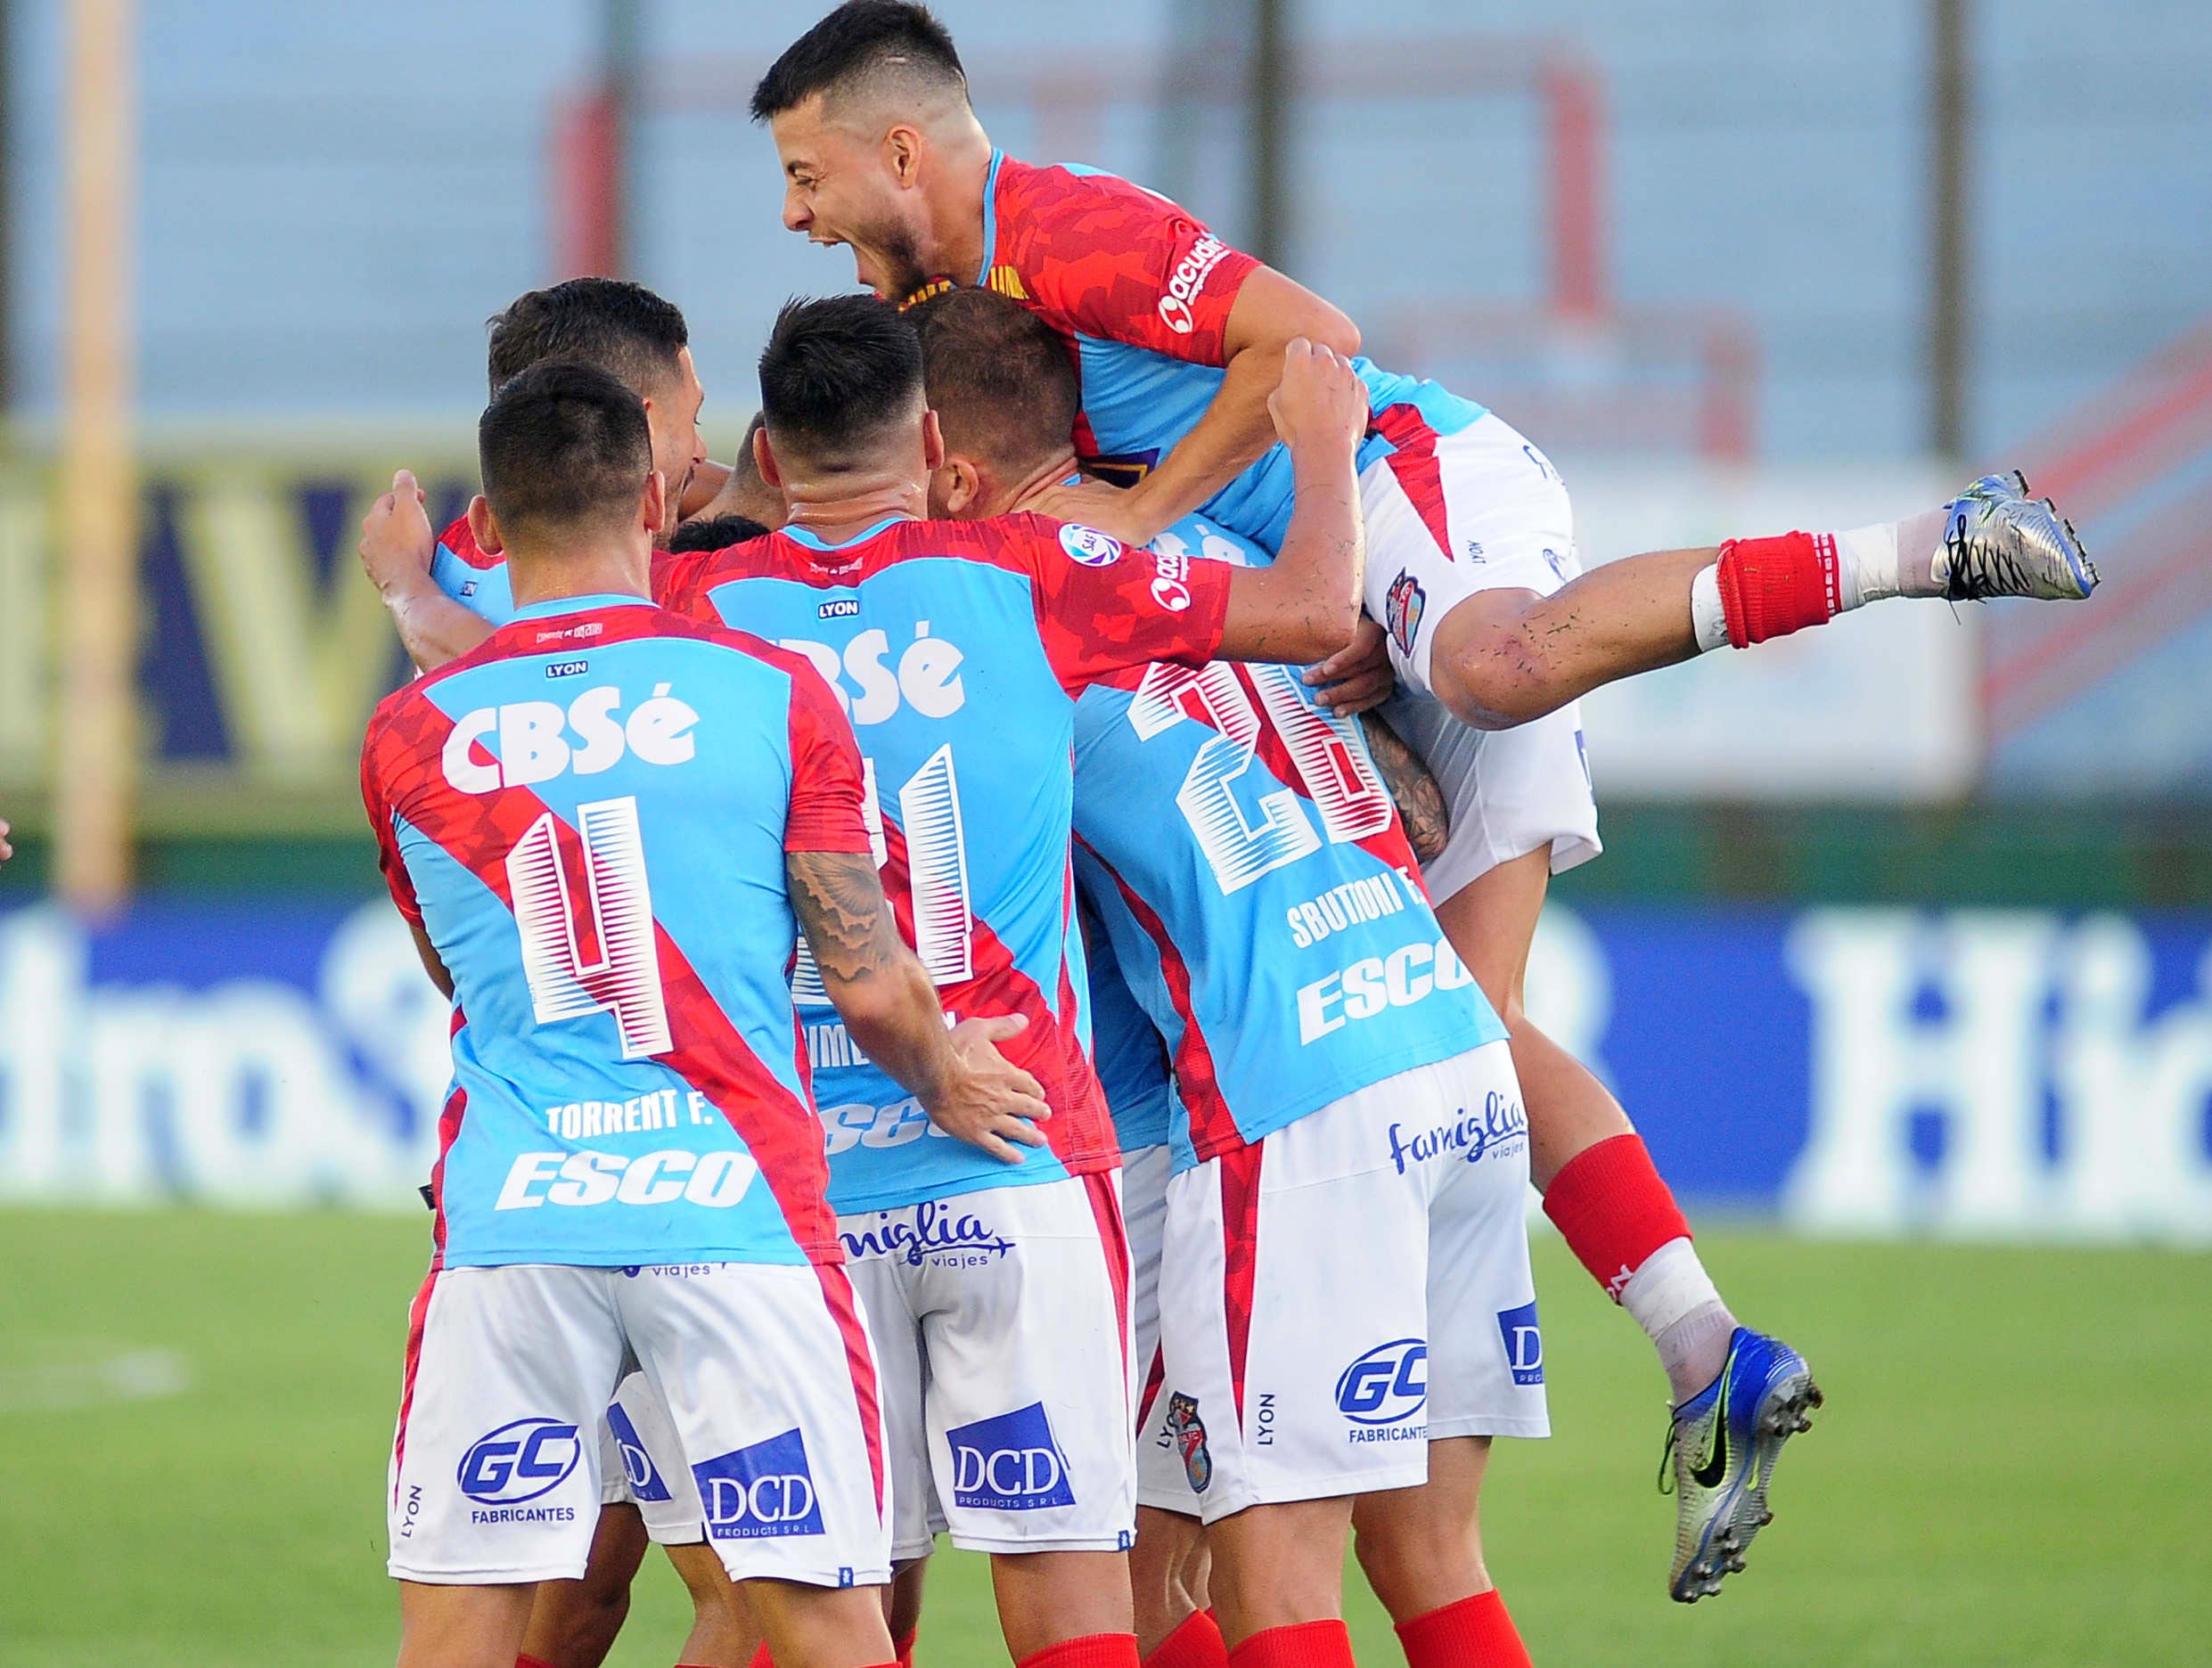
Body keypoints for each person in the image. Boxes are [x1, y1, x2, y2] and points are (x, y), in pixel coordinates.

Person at [748, 0, 2098, 1598]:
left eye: (803, 169)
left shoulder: (1053, 225)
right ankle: (1702, 1346)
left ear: (898, 144)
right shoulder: (954, 306)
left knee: (1505, 663)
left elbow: (1307, 339)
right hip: (1312, 590)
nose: (795, 211)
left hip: (1402, 483)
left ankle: (1923, 545)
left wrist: (1146, 534)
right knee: (1458, 1023)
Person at [652, 294, 1375, 1668]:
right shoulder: (1034, 571)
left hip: (804, 1184)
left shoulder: (692, 610)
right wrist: (1323, 452)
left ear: (768, 447)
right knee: (1067, 1614)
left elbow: (525, 649)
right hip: (1021, 1155)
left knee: (818, 1617)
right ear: (929, 436)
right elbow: (1306, 613)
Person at [363, 359, 1046, 1668]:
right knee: (822, 1624)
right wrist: (944, 1072)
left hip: (517, 1219)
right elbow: (862, 971)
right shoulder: (769, 694)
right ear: (658, 512)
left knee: (460, 1628)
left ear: (490, 531)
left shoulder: (409, 734)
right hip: (734, 1214)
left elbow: (459, 969)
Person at [916, 282, 1545, 1668]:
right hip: (1447, 1050)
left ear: (946, 463)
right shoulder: (1208, 541)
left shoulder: (990, 609)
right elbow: (1416, 803)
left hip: (1288, 1101)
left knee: (1273, 1588)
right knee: (1419, 1558)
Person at [358, 278, 776, 1668]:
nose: (711, 426)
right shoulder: (698, 604)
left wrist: (412, 594)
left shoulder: (488, 589)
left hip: (560, 1178)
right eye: (693, 403)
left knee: (604, 1586)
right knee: (723, 1590)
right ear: (639, 428)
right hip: (695, 1164)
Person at [361, 278, 719, 675]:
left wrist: (405, 583)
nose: (700, 451)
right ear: (640, 423)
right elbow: (536, 685)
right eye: (692, 419)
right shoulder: (727, 578)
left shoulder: (449, 561)